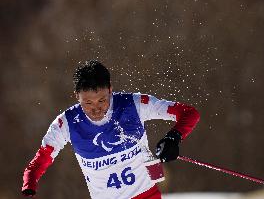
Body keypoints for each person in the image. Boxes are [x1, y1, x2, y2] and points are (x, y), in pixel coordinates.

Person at [22, 60, 200, 199]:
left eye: (102, 100)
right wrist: (29, 183)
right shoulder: (66, 123)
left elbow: (189, 113)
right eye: (88, 103)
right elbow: (40, 159)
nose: (96, 109)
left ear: (110, 90)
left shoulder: (134, 104)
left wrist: (174, 136)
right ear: (77, 97)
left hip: (145, 195)